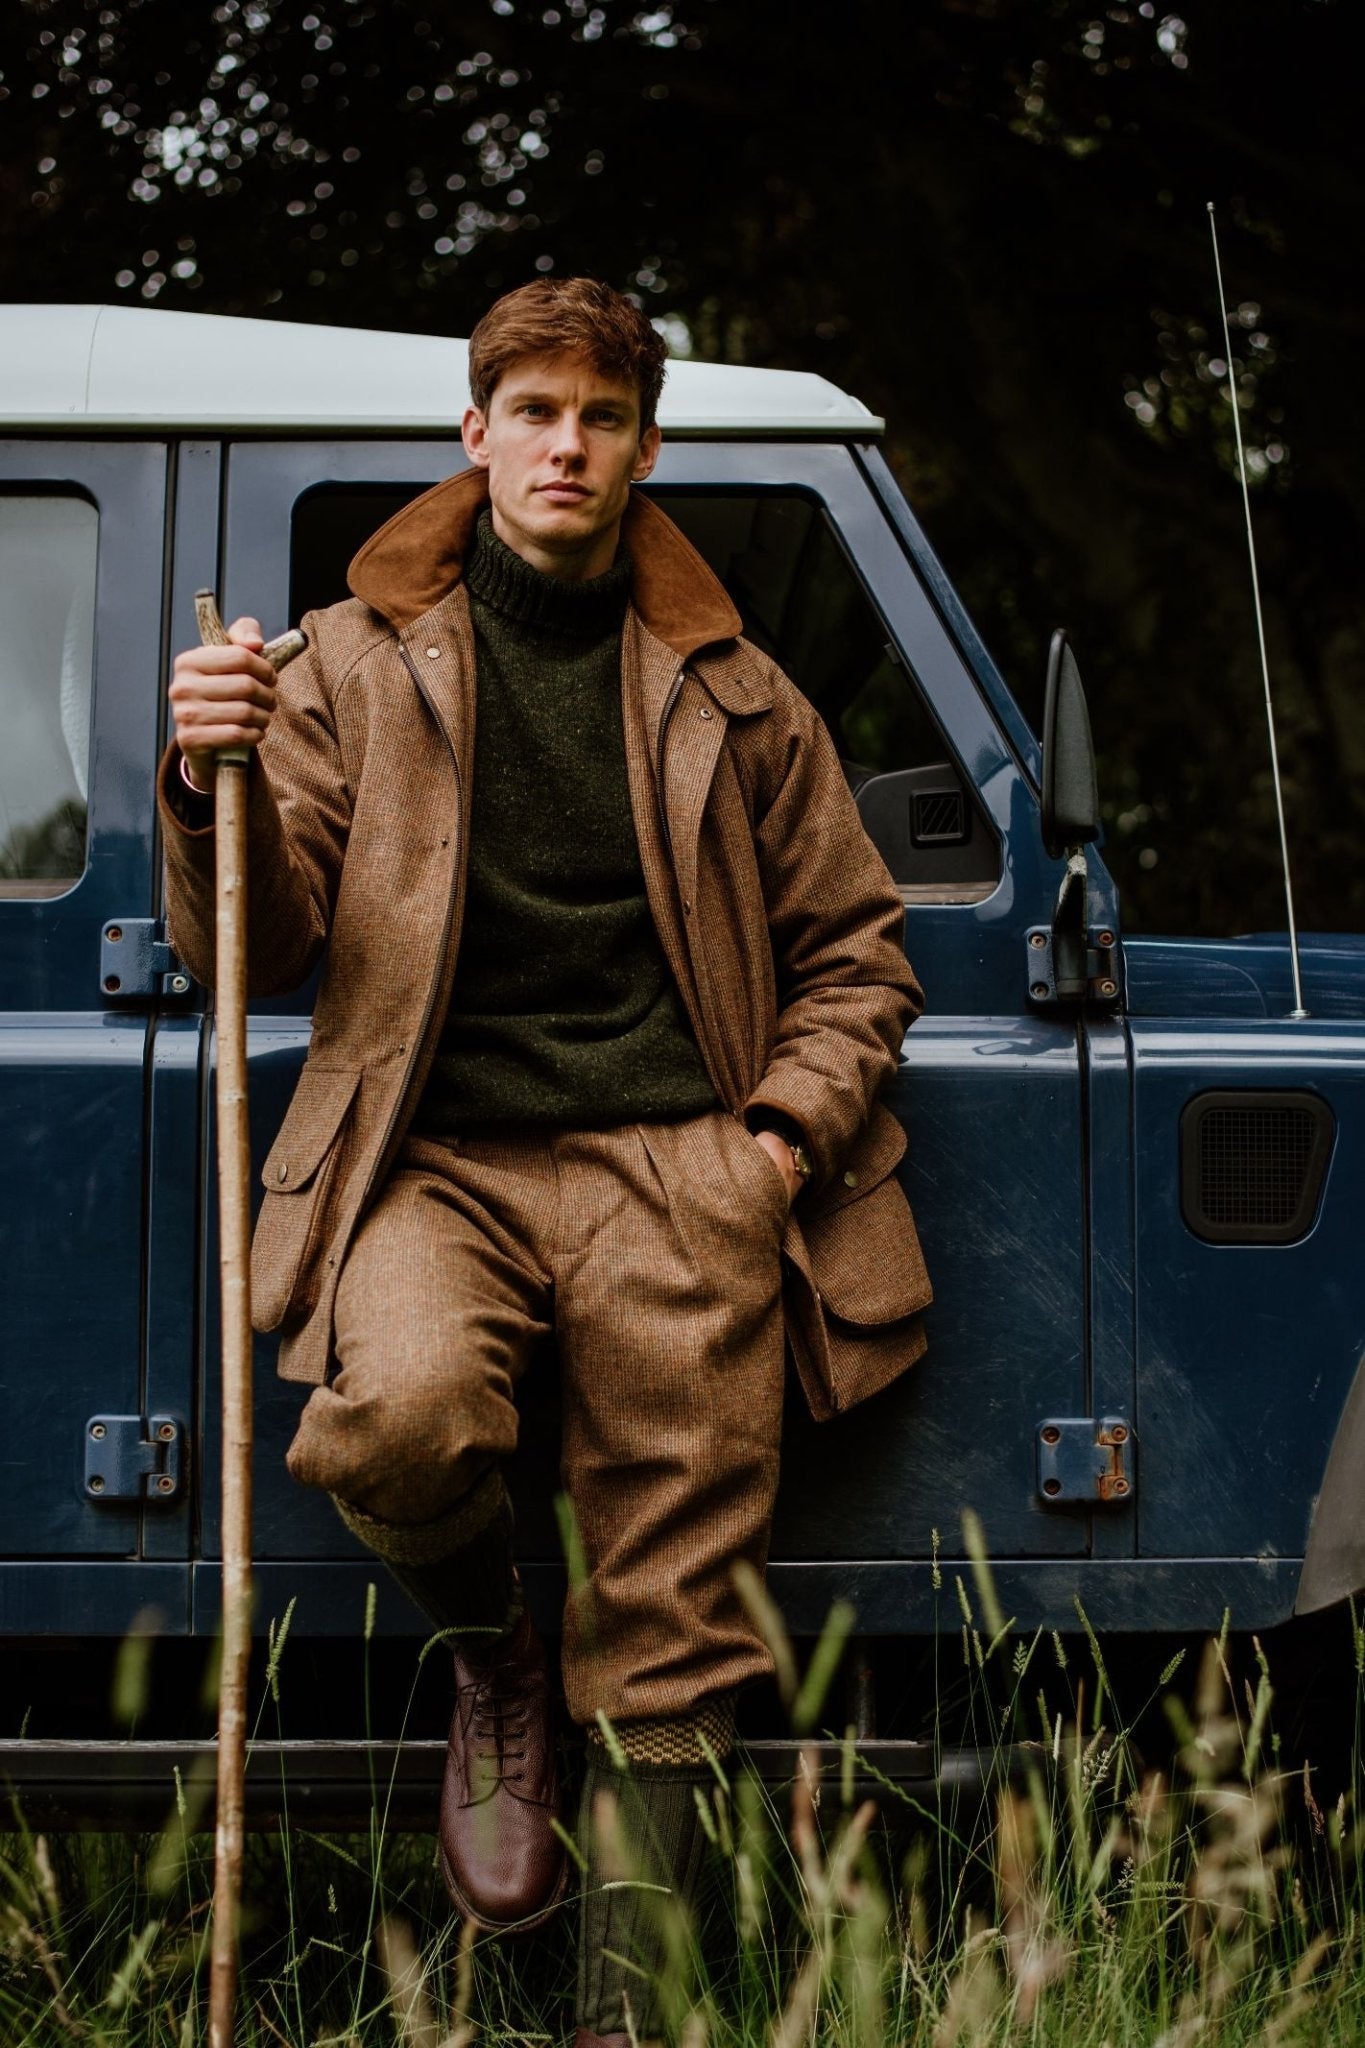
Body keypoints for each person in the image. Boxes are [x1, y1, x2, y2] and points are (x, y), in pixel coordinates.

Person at [160, 276, 931, 2047]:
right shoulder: (345, 666)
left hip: (683, 1168)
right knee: (399, 1414)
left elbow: (858, 954)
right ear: (474, 433)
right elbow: (254, 951)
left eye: (599, 414)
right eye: (533, 410)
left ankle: (622, 2022)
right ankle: (493, 1652)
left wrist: (767, 1147)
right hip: (433, 1160)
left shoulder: (738, 690)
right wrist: (203, 772)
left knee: (674, 1611)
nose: (564, 443)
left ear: (645, 445)